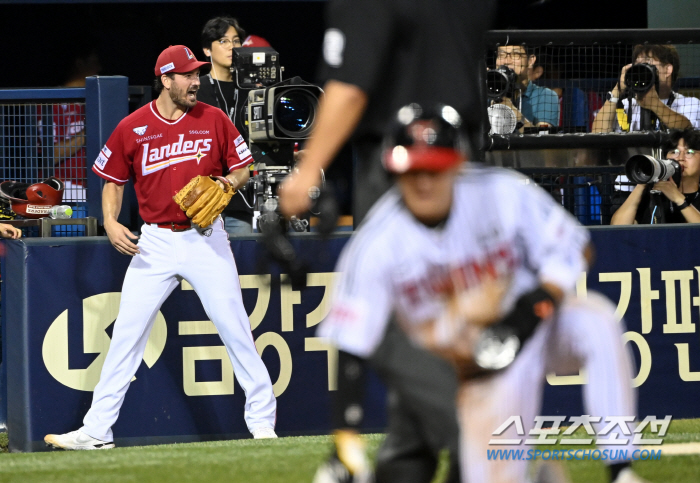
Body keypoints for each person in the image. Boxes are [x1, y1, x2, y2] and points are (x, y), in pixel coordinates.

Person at [317, 104, 646, 483]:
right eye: (413, 170)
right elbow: (351, 345)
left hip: (533, 326)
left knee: (596, 319)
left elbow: (575, 246)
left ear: (457, 165)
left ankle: (621, 470)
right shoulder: (377, 244)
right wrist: (346, 442)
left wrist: (529, 312)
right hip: (473, 369)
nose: (424, 182)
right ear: (393, 170)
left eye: (435, 168)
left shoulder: (500, 192)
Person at [280, 1, 496, 481]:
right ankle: (405, 463)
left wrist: (307, 171)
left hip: (407, 165)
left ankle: (476, 442)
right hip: (467, 162)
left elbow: (351, 86)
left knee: (395, 322)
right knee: (451, 323)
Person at [44, 45, 277, 451]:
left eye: (197, 74)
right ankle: (96, 431)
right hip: (153, 241)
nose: (195, 81)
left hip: (205, 238)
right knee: (126, 338)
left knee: (235, 330)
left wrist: (226, 184)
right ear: (165, 79)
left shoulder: (214, 119)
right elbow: (112, 179)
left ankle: (262, 425)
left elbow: (242, 167)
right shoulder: (133, 127)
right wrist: (112, 222)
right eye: (187, 75)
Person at [197, 16, 256, 235]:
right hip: (202, 200)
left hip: (240, 203)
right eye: (223, 41)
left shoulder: (253, 90)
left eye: (236, 41)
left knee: (241, 265)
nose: (231, 47)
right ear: (207, 50)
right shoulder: (195, 89)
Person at [592, 45, 700, 133]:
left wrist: (655, 105)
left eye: (647, 63)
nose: (641, 69)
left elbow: (688, 131)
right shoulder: (626, 105)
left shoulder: (690, 104)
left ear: (667, 70)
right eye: (638, 64)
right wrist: (617, 90)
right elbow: (597, 134)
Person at [611, 129, 700, 225]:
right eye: (674, 151)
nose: (680, 158)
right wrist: (642, 184)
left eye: (689, 152)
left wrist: (678, 198)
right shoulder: (654, 192)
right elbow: (618, 228)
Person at [53, 45, 102, 202]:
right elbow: (50, 155)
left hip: (97, 189)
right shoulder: (50, 104)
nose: (99, 68)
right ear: (80, 63)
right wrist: (89, 130)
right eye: (94, 61)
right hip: (62, 190)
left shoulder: (99, 101)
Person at [492, 44, 560, 130]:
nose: (506, 61)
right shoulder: (484, 91)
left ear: (531, 60)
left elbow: (543, 138)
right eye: (501, 55)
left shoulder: (545, 95)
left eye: (516, 55)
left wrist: (511, 111)